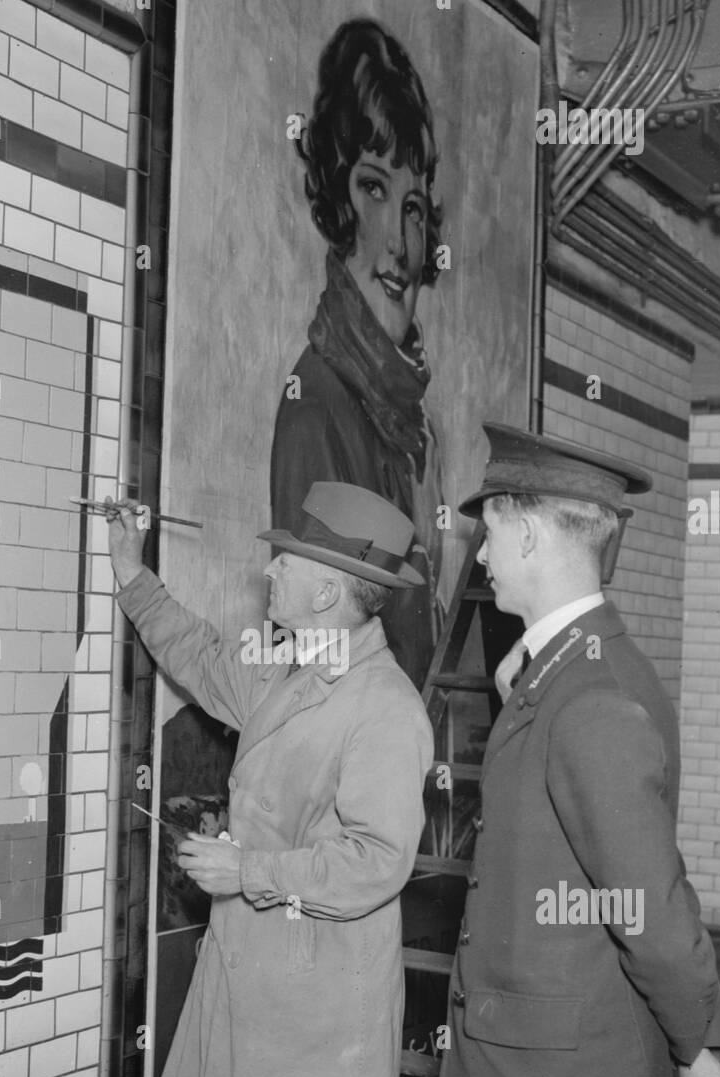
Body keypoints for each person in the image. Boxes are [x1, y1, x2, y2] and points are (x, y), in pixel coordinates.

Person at [432, 424, 720, 1077]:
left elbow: (648, 908)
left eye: (489, 532)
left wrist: (695, 1045)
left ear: (529, 533)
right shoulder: (571, 671)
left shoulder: (590, 697)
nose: (483, 555)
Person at [107, 482, 434, 1077]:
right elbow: (204, 658)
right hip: (273, 1024)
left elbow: (373, 861)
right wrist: (129, 571)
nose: (269, 575)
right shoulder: (297, 674)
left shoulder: (383, 709)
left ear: (326, 591)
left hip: (319, 1037)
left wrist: (248, 870)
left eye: (281, 564)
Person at [271, 18, 446, 689]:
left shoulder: (409, 420)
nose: (400, 246)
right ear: (337, 202)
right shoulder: (317, 403)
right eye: (372, 188)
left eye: (413, 207)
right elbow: (320, 654)